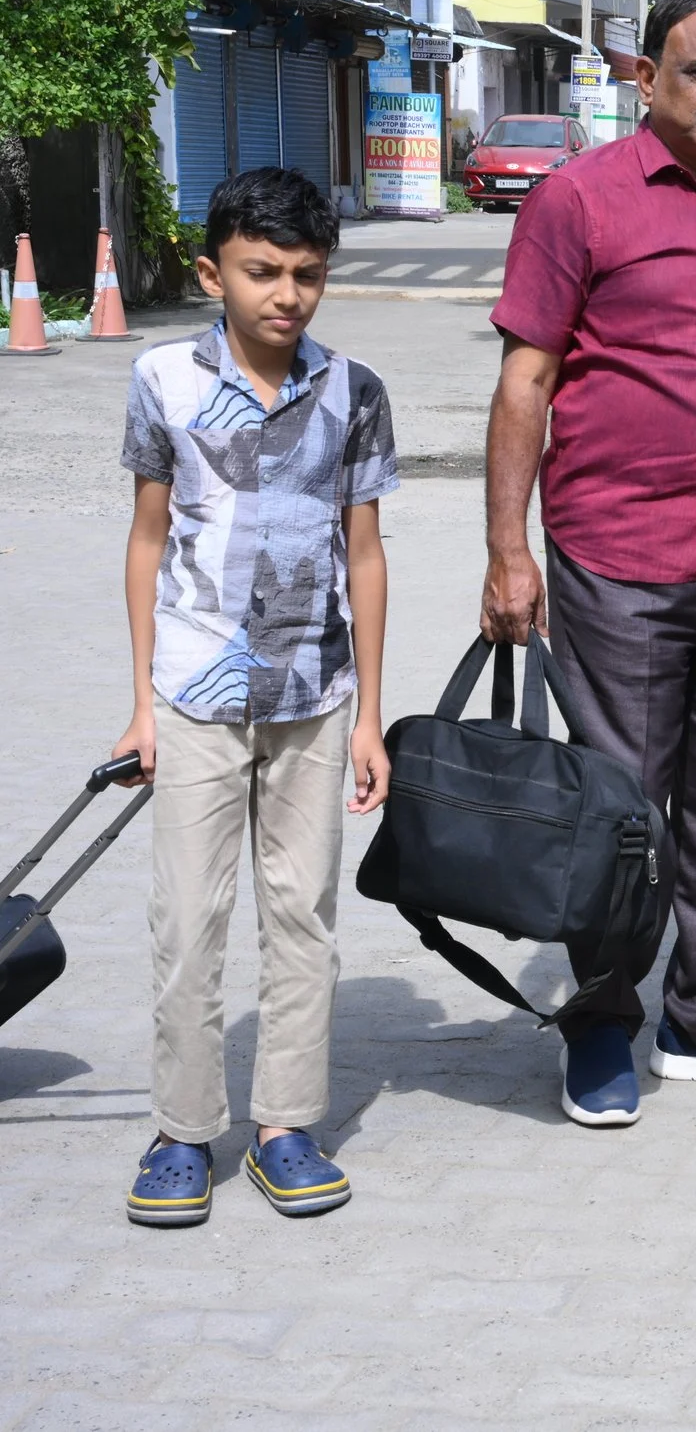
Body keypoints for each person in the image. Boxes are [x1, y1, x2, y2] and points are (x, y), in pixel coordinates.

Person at [482, 0, 696, 1128]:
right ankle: (598, 1020)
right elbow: (525, 377)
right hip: (621, 556)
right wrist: (507, 554)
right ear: (647, 78)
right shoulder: (580, 202)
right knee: (623, 808)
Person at [113, 168, 396, 1226]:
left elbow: (363, 555)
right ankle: (184, 1129)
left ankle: (285, 1122)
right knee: (187, 918)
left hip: (314, 694)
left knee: (302, 912)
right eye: (262, 270)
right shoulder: (161, 381)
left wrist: (369, 712)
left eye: (307, 274)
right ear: (212, 272)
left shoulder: (353, 390)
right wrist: (141, 701)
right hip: (190, 690)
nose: (287, 293)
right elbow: (147, 541)